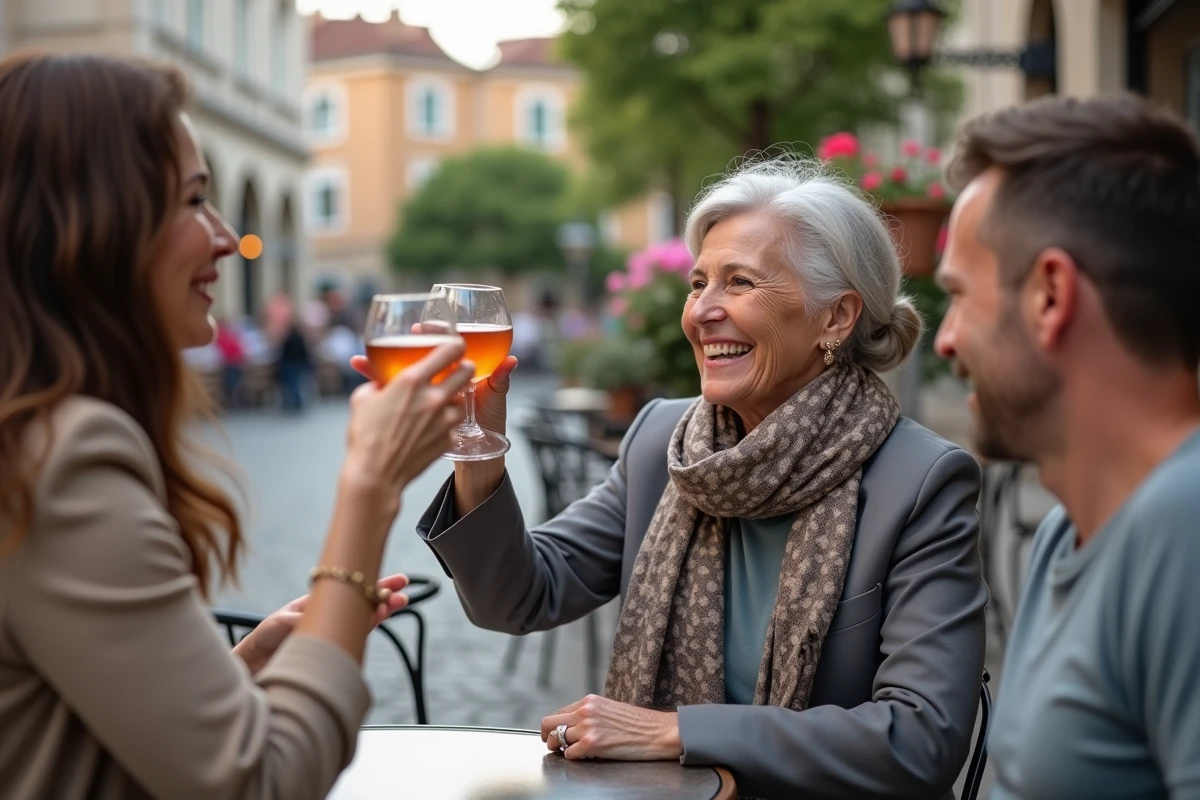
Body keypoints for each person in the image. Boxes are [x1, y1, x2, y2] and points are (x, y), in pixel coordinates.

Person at [404, 158, 989, 799]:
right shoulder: (665, 442)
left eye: (739, 283)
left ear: (836, 316)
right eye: (698, 282)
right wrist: (477, 439)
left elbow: (921, 737)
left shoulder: (921, 481)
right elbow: (518, 598)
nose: (702, 311)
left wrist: (677, 731)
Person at [0, 53, 473, 800]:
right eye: (192, 201)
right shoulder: (62, 456)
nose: (225, 237)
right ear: (92, 227)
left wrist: (244, 661)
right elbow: (259, 782)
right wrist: (370, 487)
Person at [934, 94, 1200, 799]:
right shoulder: (1062, 533)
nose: (945, 340)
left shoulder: (1185, 527)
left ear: (1050, 296)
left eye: (959, 297)